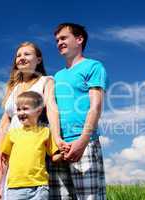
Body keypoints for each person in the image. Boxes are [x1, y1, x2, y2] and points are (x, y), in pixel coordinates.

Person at [0, 42, 65, 200]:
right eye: (18, 55)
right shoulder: (14, 86)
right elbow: (5, 121)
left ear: (39, 60)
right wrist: (0, 153)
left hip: (31, 148)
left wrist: (57, 137)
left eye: (27, 54)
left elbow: (52, 107)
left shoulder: (46, 81)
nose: (21, 58)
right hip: (11, 147)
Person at [48, 23, 107, 199]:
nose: (59, 42)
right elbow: (54, 109)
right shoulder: (57, 76)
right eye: (57, 40)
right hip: (60, 148)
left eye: (64, 38)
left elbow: (95, 106)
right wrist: (57, 139)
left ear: (79, 39)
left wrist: (82, 141)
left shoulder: (93, 67)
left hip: (84, 144)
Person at [0, 91, 63, 200]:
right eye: (18, 109)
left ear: (39, 111)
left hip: (39, 187)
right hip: (15, 188)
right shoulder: (12, 134)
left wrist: (64, 153)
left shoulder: (45, 132)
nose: (21, 113)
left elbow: (54, 156)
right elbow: (4, 161)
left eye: (25, 108)